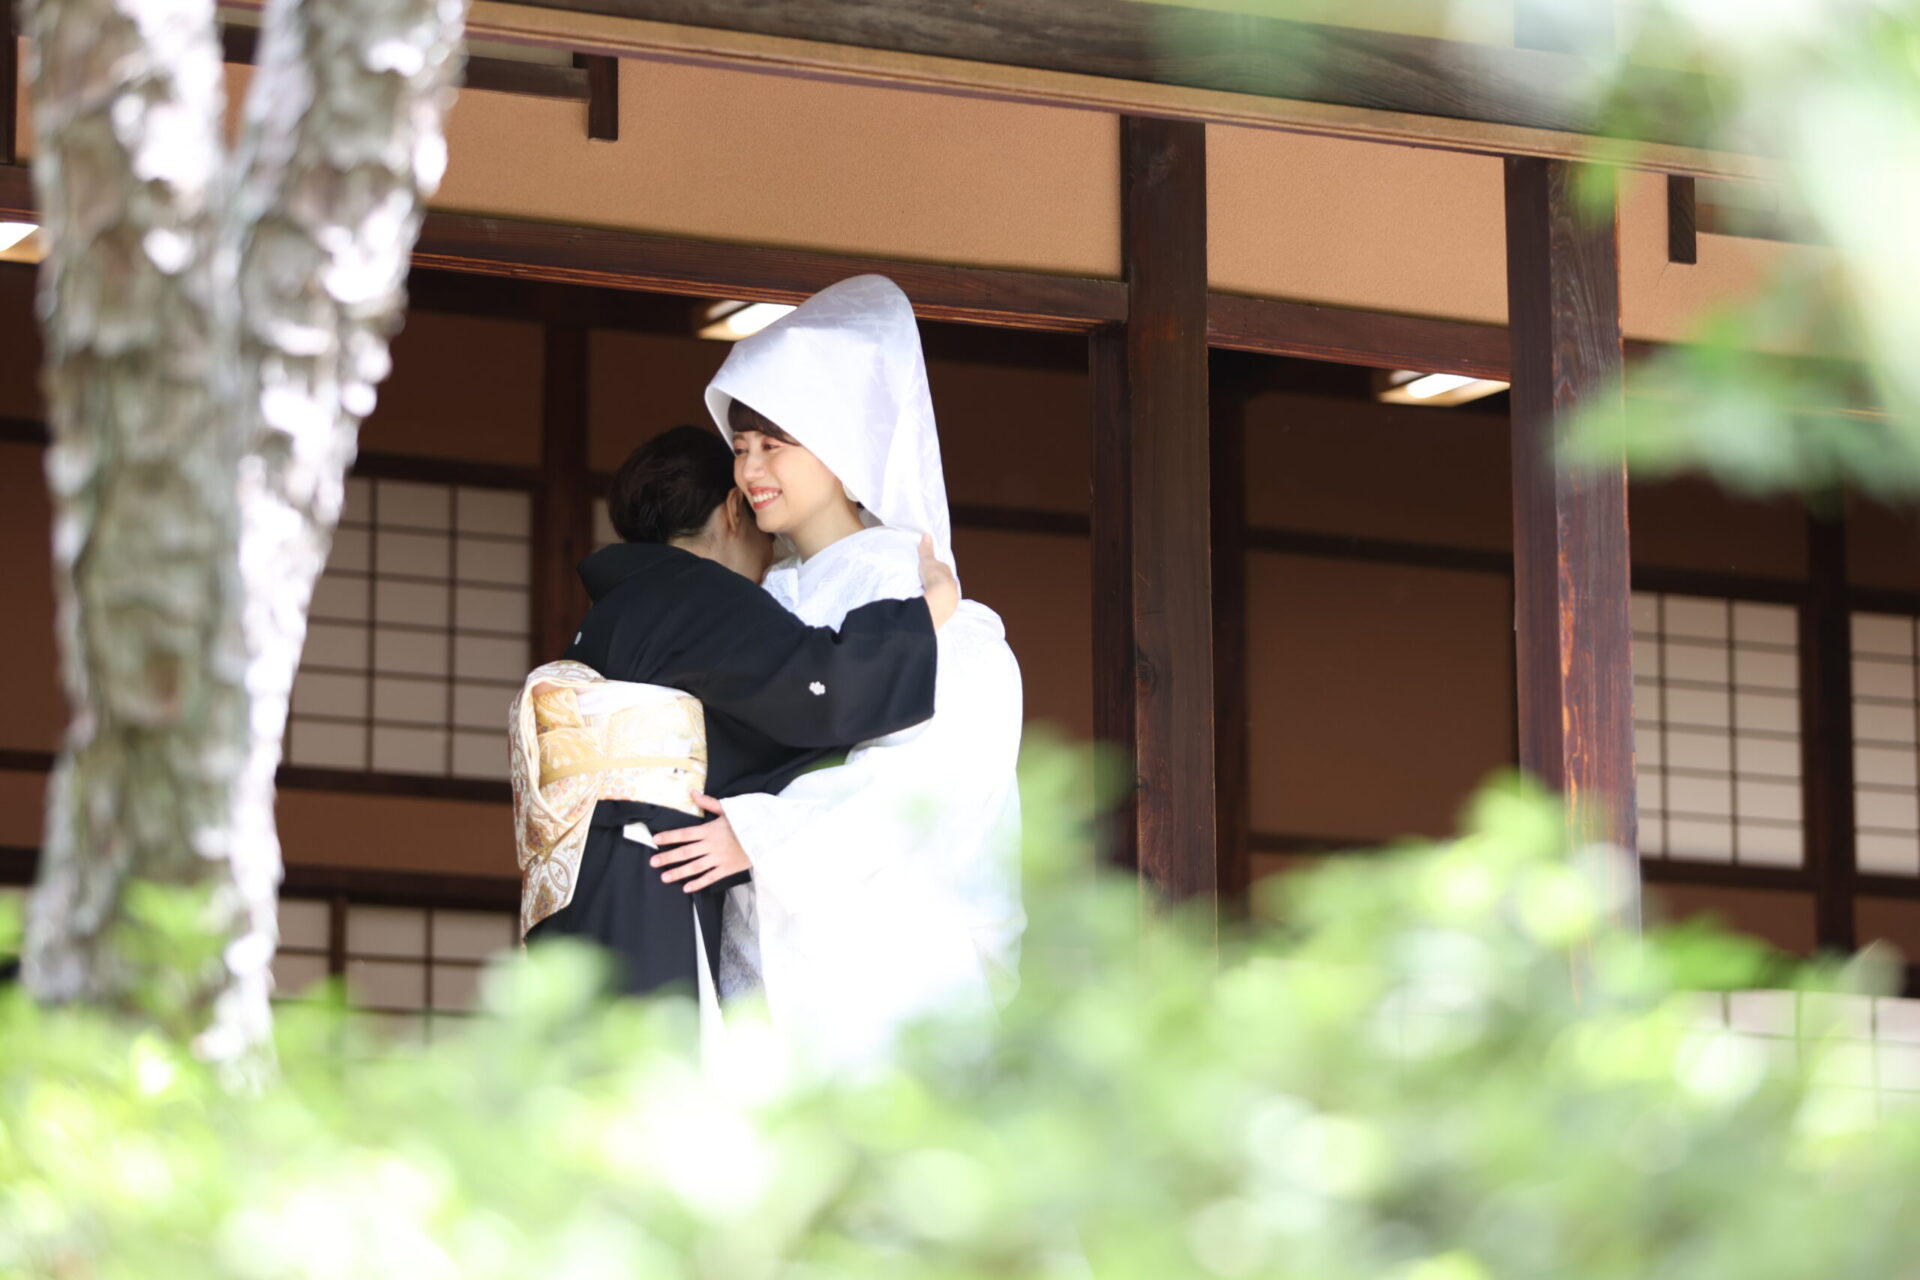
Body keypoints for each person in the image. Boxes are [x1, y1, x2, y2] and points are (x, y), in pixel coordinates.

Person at [652, 274, 1027, 1069]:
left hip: (886, 974)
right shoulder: (759, 598)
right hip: (761, 948)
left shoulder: (933, 607)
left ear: (841, 442)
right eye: (741, 448)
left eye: (774, 444)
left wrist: (762, 833)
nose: (751, 469)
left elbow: (933, 783)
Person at [514, 424, 958, 1001]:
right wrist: (929, 611)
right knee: (657, 1050)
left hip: (578, 880)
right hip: (651, 873)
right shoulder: (694, 593)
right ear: (732, 509)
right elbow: (816, 687)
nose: (771, 557)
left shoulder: (612, 613)